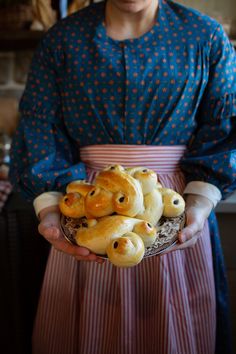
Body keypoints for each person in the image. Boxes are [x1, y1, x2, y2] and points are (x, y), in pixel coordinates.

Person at [9, 0, 236, 353]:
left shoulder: (205, 37)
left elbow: (223, 129)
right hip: (87, 207)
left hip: (170, 207)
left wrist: (201, 203)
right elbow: (40, 128)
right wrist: (50, 210)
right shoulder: (63, 40)